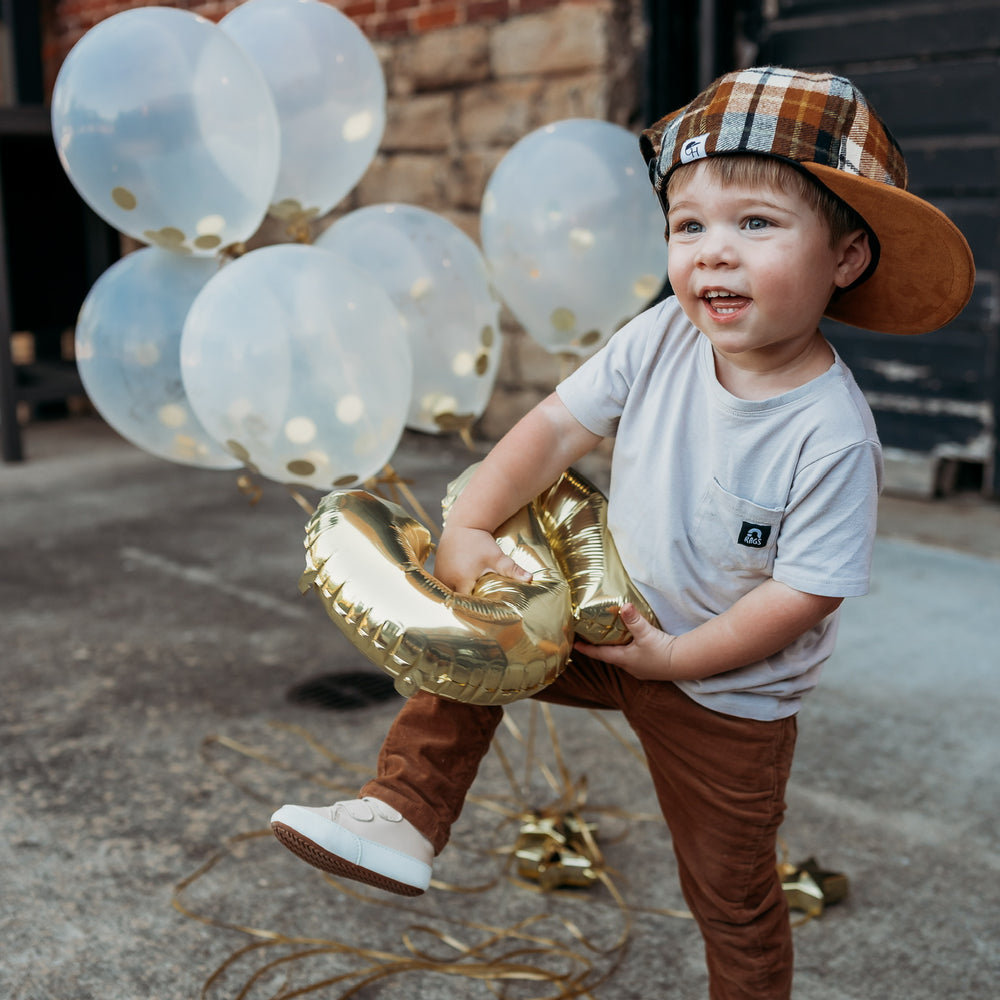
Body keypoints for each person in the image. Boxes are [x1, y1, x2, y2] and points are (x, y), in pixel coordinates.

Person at [270, 67, 974, 998]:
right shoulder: (661, 338)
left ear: (845, 258)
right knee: (469, 645)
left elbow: (807, 593)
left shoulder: (831, 433)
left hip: (727, 689)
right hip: (610, 617)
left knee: (729, 891)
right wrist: (473, 524)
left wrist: (679, 660)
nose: (713, 254)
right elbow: (557, 427)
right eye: (691, 226)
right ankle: (402, 813)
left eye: (755, 225)